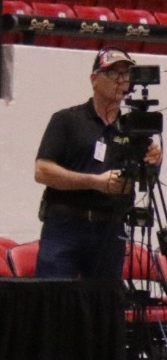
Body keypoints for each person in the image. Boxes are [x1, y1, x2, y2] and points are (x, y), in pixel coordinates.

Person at [32, 49, 154, 280]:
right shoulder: (67, 120)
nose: (121, 81)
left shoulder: (133, 128)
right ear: (94, 79)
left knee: (102, 303)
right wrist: (95, 182)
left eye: (126, 75)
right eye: (113, 74)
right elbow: (42, 171)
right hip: (65, 224)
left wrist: (153, 162)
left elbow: (147, 181)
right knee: (54, 297)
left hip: (110, 228)